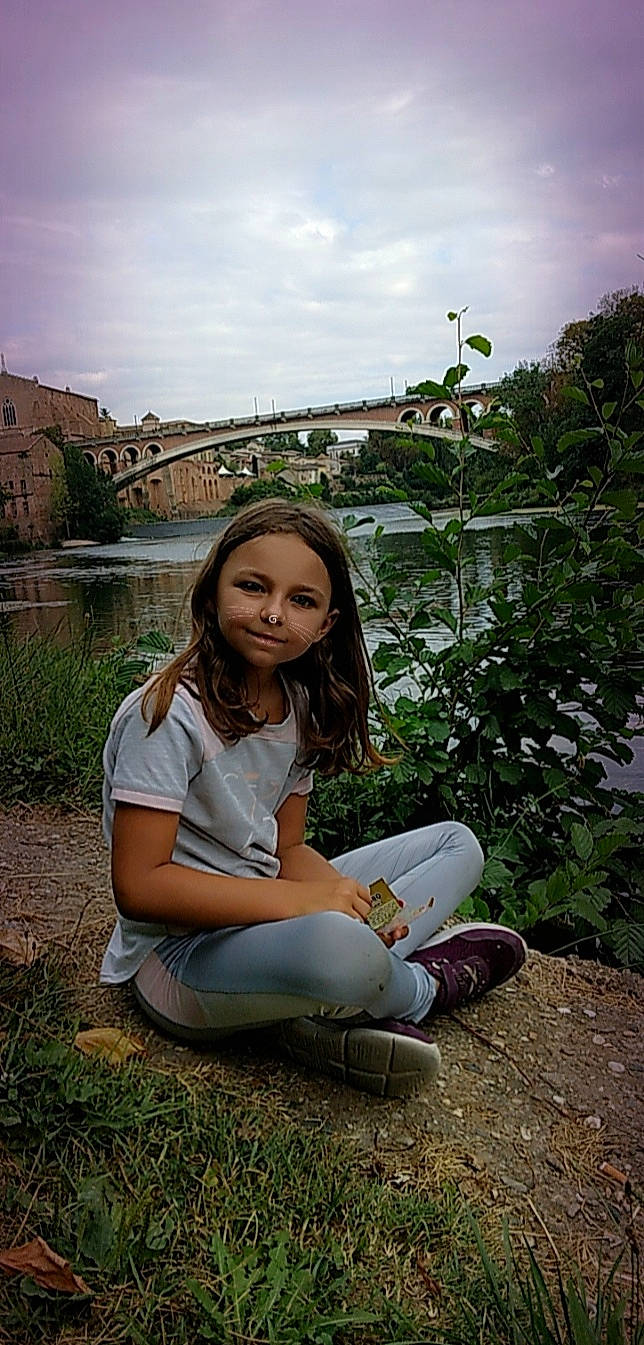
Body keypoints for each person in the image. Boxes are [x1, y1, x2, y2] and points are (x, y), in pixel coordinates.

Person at [100, 500, 526, 1098]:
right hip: (178, 961)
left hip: (268, 915)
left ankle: (317, 1007)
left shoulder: (295, 710)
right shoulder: (170, 713)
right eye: (252, 587)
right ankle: (421, 988)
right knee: (338, 947)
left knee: (459, 844)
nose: (273, 613)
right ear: (212, 591)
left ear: (326, 624)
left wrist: (359, 911)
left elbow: (289, 848)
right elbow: (140, 888)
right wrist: (311, 909)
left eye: (301, 600)